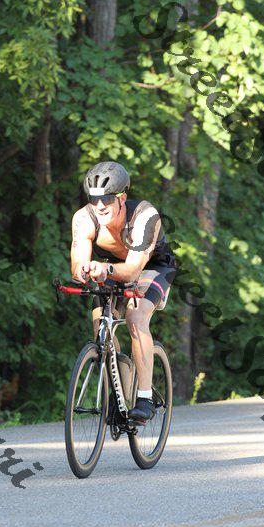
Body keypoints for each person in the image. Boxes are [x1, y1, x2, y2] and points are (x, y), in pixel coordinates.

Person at [71, 161, 177, 423]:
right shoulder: (84, 218)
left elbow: (131, 271)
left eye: (107, 198)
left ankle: (144, 398)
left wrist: (104, 269)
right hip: (110, 268)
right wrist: (84, 271)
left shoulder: (145, 217)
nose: (100, 205)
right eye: (94, 199)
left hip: (152, 267)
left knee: (135, 317)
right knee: (100, 327)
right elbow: (78, 264)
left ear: (122, 198)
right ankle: (120, 386)